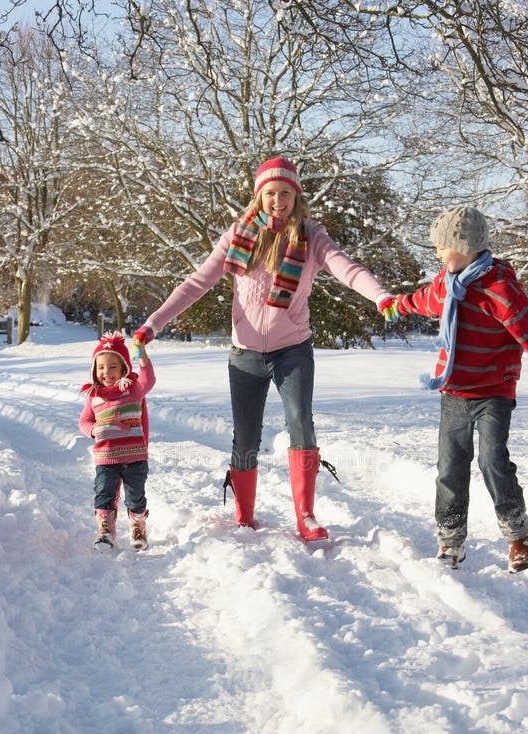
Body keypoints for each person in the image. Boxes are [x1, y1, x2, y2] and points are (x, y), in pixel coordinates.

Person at [133, 156, 392, 541]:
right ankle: (244, 514)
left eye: (285, 192)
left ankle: (305, 515)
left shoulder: (311, 236)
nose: (278, 200)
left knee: (300, 422)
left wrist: (381, 296)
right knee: (246, 435)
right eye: (270, 193)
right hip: (245, 354)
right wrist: (154, 322)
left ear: (296, 196)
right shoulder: (239, 235)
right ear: (259, 197)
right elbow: (195, 283)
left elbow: (347, 269)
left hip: (293, 350)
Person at [379, 205, 528, 572]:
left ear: (465, 247)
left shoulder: (499, 289)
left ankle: (519, 536)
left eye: (442, 246)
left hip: (494, 391)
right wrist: (397, 306)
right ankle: (450, 542)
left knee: (492, 461)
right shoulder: (445, 285)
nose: (437, 253)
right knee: (450, 468)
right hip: (454, 390)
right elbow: (420, 300)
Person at [79, 331, 156, 551]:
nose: (106, 372)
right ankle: (105, 531)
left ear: (124, 368)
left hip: (134, 457)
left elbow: (148, 379)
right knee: (104, 492)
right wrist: (93, 430)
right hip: (106, 457)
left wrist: (142, 356)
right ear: (94, 370)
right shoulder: (94, 396)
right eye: (101, 367)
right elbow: (84, 421)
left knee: (135, 496)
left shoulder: (133, 390)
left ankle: (138, 525)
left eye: (113, 366)